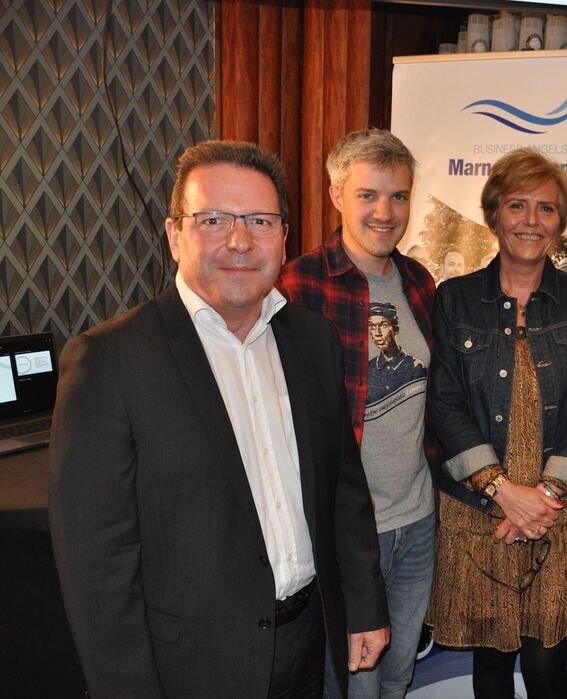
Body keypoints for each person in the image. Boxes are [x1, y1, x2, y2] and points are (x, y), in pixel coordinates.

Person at [48, 140, 389, 698]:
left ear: (284, 236)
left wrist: (364, 603)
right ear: (174, 234)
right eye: (213, 219)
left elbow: (343, 489)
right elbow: (96, 568)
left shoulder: (311, 339)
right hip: (188, 666)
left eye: (259, 220)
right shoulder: (109, 361)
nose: (239, 240)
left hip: (307, 645)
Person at [427, 148, 567, 698]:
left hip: (561, 512)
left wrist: (544, 497)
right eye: (517, 205)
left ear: (561, 224)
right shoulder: (454, 298)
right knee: (492, 665)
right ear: (494, 214)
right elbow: (444, 402)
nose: (531, 220)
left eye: (546, 209)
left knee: (548, 665)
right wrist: (503, 492)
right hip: (483, 511)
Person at [277, 129, 436, 699]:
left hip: (417, 522)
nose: (385, 212)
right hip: (347, 533)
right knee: (353, 689)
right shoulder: (299, 284)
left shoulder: (419, 282)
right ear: (336, 195)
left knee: (396, 681)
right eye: (369, 195)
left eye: (399, 196)